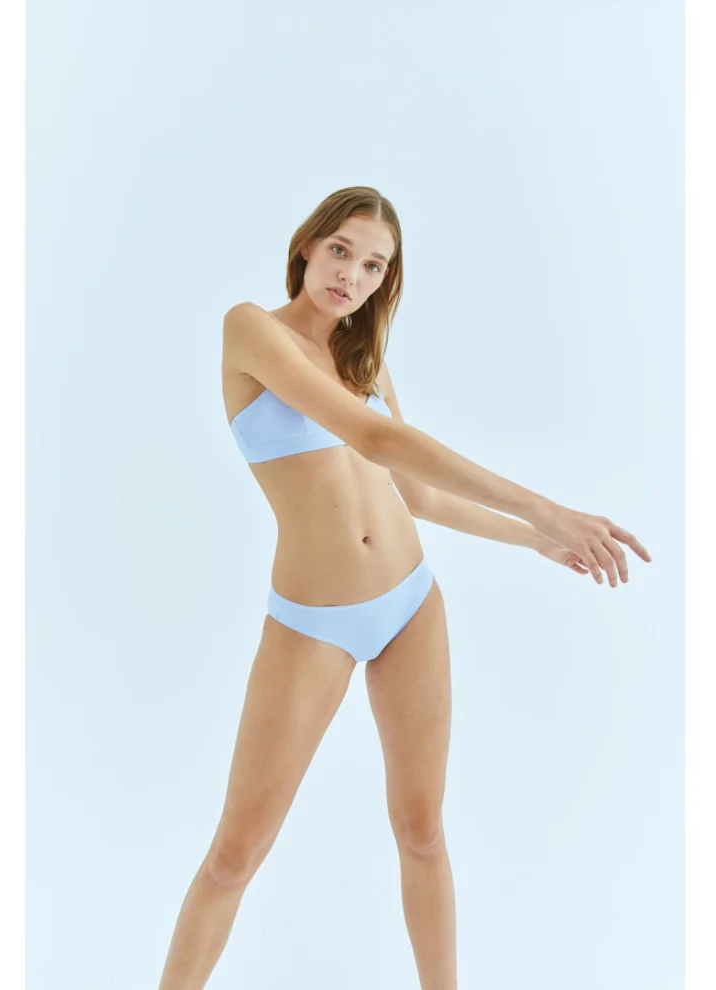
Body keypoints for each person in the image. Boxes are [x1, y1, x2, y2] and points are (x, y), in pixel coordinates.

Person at [157, 186, 652, 990]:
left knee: (423, 832)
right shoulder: (251, 329)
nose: (350, 276)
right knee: (235, 855)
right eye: (340, 251)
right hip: (313, 621)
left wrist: (536, 542)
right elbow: (374, 437)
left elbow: (416, 495)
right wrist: (544, 507)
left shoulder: (365, 358)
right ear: (308, 246)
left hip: (410, 604)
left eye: (373, 266)